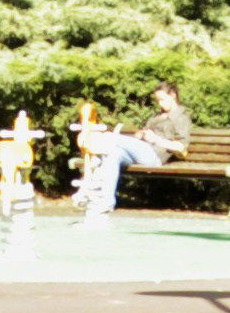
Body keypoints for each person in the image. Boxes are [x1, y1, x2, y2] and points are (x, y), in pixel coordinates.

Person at [76, 84, 195, 227]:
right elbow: (143, 135)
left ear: (173, 96)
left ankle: (97, 143)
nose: (159, 103)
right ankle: (105, 204)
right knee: (112, 154)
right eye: (157, 100)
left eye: (162, 99)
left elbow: (181, 147)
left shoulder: (180, 118)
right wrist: (141, 135)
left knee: (111, 139)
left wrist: (157, 140)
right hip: (141, 150)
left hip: (155, 156)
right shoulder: (156, 116)